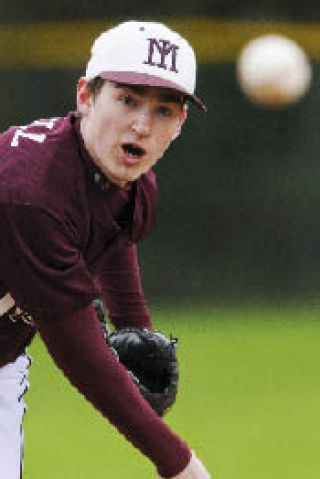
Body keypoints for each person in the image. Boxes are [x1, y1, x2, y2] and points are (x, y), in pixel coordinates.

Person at [0, 20, 209, 479]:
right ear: (86, 96)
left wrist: (135, 331)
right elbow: (78, 352)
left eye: (163, 110)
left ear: (180, 125)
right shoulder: (29, 192)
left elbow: (111, 233)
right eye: (128, 99)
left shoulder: (131, 182)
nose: (142, 124)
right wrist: (178, 463)